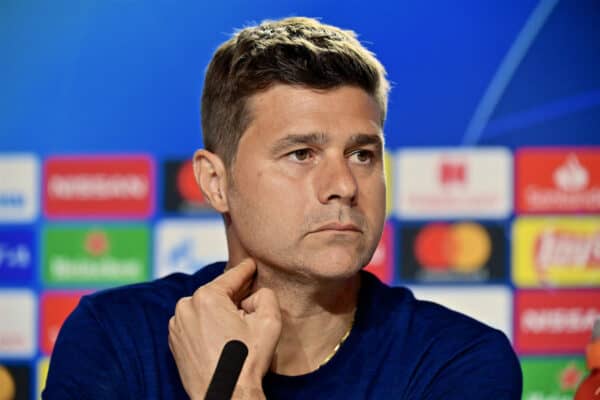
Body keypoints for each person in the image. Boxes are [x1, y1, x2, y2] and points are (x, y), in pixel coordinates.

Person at [43, 17, 522, 399]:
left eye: (362, 154)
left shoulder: (458, 360)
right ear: (216, 182)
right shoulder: (114, 338)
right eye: (301, 154)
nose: (343, 186)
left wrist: (231, 389)